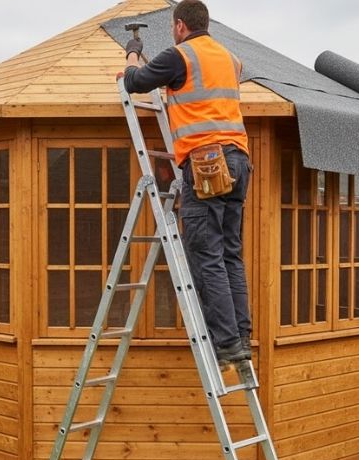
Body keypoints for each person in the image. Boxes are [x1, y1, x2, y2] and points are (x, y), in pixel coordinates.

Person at [123, 0, 253, 366]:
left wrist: (133, 55)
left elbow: (134, 82)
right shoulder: (230, 59)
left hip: (207, 164)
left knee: (207, 255)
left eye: (172, 28)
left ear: (180, 26)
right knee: (230, 254)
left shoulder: (180, 56)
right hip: (239, 160)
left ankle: (226, 344)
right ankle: (241, 338)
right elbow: (198, 92)